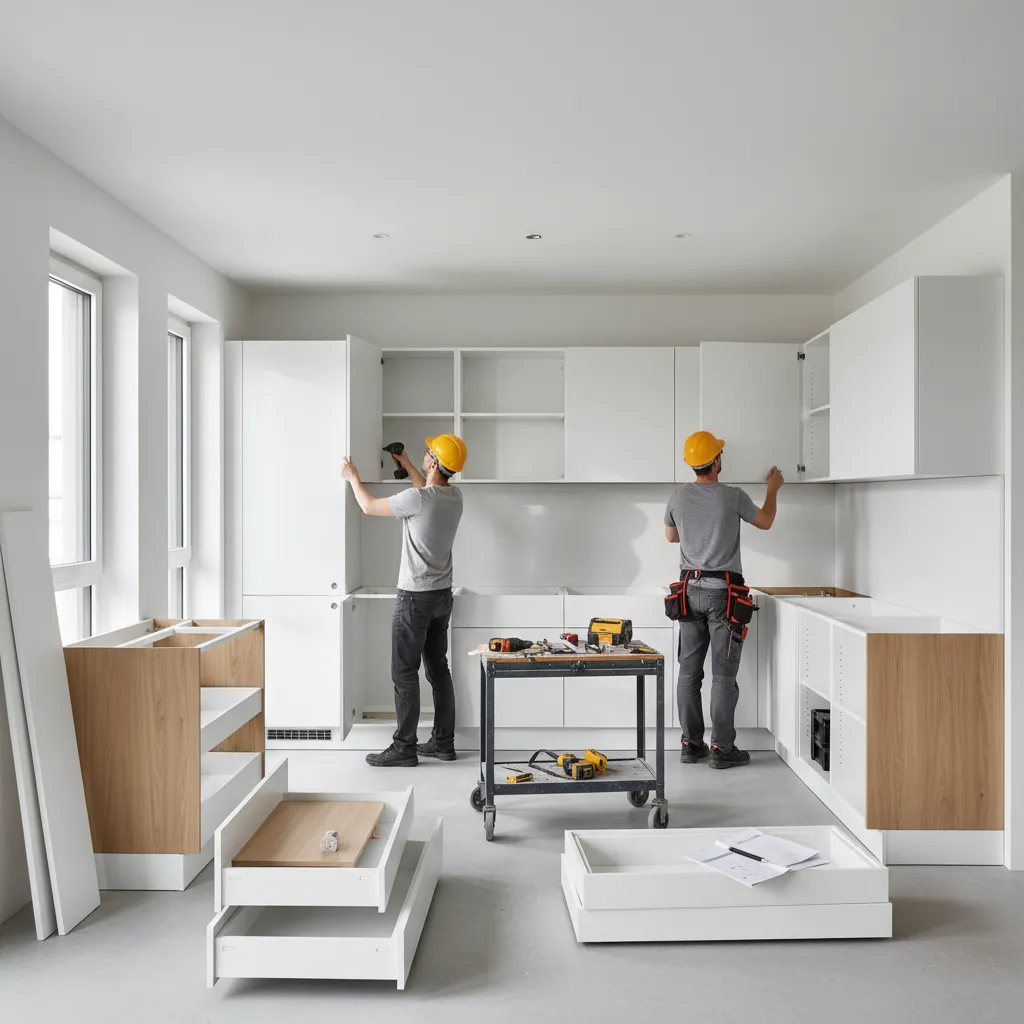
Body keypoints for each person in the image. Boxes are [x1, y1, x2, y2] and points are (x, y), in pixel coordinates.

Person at [341, 434, 468, 767]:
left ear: (434, 462)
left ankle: (404, 748)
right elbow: (425, 490)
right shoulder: (454, 497)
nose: (425, 455)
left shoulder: (418, 498)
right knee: (439, 671)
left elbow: (368, 506)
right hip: (441, 597)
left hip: (415, 598)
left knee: (404, 673)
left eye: (427, 454)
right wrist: (409, 464)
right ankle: (443, 743)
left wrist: (352, 477)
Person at [664, 431, 784, 769]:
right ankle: (722, 749)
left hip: (688, 593)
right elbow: (766, 521)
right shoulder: (733, 496)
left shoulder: (678, 496)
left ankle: (691, 745)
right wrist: (773, 489)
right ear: (716, 461)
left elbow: (671, 536)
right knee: (722, 677)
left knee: (688, 673)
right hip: (723, 596)